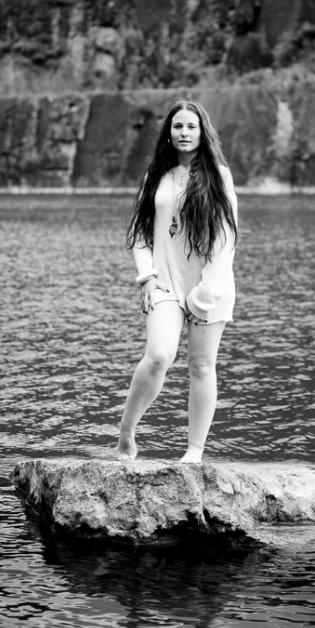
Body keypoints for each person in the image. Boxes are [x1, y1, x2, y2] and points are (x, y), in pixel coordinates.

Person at [117, 100, 238, 464]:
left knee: (201, 366)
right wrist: (147, 278)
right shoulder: (156, 175)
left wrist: (204, 295)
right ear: (169, 133)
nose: (184, 132)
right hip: (164, 283)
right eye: (178, 126)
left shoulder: (218, 175)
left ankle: (194, 451)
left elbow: (225, 241)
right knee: (158, 356)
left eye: (191, 126)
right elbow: (139, 234)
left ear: (203, 132)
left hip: (210, 286)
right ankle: (126, 433)